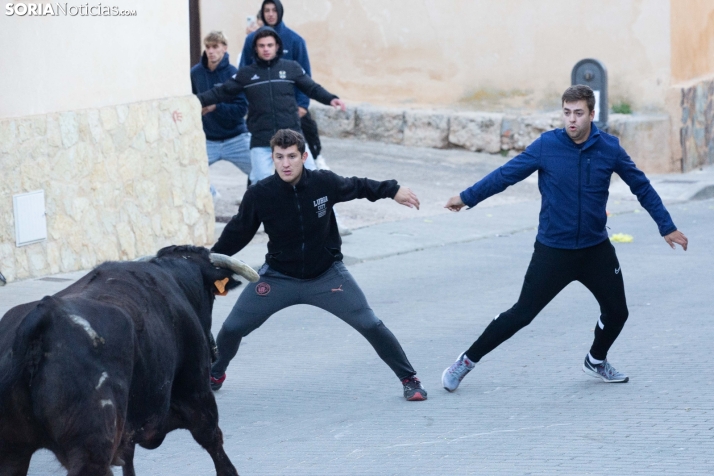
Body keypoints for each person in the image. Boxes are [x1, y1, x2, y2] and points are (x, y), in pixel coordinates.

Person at [441, 85, 689, 392]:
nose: (572, 120)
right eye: (567, 112)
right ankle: (466, 361)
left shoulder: (609, 148)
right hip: (553, 250)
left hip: (595, 250)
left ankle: (596, 360)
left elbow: (642, 187)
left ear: (591, 114)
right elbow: (506, 175)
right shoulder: (547, 145)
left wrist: (666, 226)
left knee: (617, 313)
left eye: (579, 113)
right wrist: (467, 197)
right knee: (521, 314)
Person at [208, 129, 428, 401]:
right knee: (231, 329)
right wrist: (209, 261)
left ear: (304, 156)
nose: (285, 163)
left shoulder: (323, 183)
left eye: (291, 156)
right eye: (279, 157)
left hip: (327, 276)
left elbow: (358, 185)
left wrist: (392, 189)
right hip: (278, 278)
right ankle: (215, 373)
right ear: (272, 158)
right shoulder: (260, 194)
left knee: (371, 324)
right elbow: (237, 233)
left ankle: (410, 379)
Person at [196, 26, 345, 185]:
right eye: (261, 46)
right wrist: (195, 101)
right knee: (261, 185)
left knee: (312, 182)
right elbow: (220, 92)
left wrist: (330, 99)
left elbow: (312, 88)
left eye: (269, 45)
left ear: (277, 46)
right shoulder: (246, 74)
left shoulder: (291, 68)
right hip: (262, 141)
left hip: (293, 138)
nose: (266, 49)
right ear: (255, 49)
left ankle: (322, 211)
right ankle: (256, 211)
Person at [240, 0, 328, 170]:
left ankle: (317, 164)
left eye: (274, 10)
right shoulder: (251, 40)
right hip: (262, 110)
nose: (270, 14)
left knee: (301, 150)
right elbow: (243, 76)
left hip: (292, 109)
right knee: (261, 163)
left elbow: (305, 76)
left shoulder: (295, 40)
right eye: (267, 10)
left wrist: (302, 105)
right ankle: (257, 193)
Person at [190, 31, 251, 198]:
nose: (211, 51)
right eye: (208, 47)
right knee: (189, 172)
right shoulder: (195, 73)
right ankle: (212, 195)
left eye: (215, 47)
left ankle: (253, 204)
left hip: (236, 138)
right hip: (208, 140)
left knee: (262, 172)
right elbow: (192, 102)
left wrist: (216, 107)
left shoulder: (234, 74)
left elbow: (241, 109)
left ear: (224, 48)